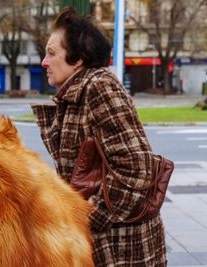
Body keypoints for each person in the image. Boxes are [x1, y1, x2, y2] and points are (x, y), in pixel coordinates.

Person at [31, 7, 167, 267]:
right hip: (108, 245)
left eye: (51, 53)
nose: (44, 62)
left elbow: (137, 170)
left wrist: (83, 219)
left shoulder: (99, 87)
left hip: (122, 250)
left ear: (78, 58)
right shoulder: (78, 92)